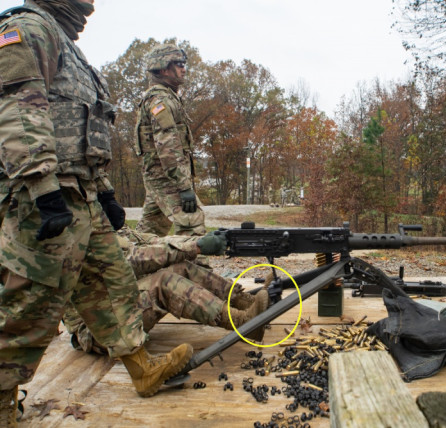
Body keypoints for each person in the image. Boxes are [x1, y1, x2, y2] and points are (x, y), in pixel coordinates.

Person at [0, 1, 193, 424]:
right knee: (28, 307)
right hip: (45, 196)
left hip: (83, 194)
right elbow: (18, 107)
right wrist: (41, 184)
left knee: (113, 287)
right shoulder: (29, 30)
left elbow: (82, 131)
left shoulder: (70, 48)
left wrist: (104, 190)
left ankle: (142, 370)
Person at [63, 227, 270, 354]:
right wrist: (196, 247)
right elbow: (132, 261)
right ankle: (243, 323)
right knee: (164, 282)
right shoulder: (76, 232)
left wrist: (196, 243)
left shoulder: (97, 222)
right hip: (99, 330)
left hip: (115, 306)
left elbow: (155, 242)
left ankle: (246, 303)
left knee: (183, 267)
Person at [134, 43, 206, 237]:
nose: (184, 69)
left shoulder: (167, 97)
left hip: (160, 176)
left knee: (151, 231)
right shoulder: (161, 100)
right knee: (191, 223)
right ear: (164, 69)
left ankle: (129, 262)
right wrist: (183, 186)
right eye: (179, 64)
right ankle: (195, 267)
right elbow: (167, 146)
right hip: (166, 177)